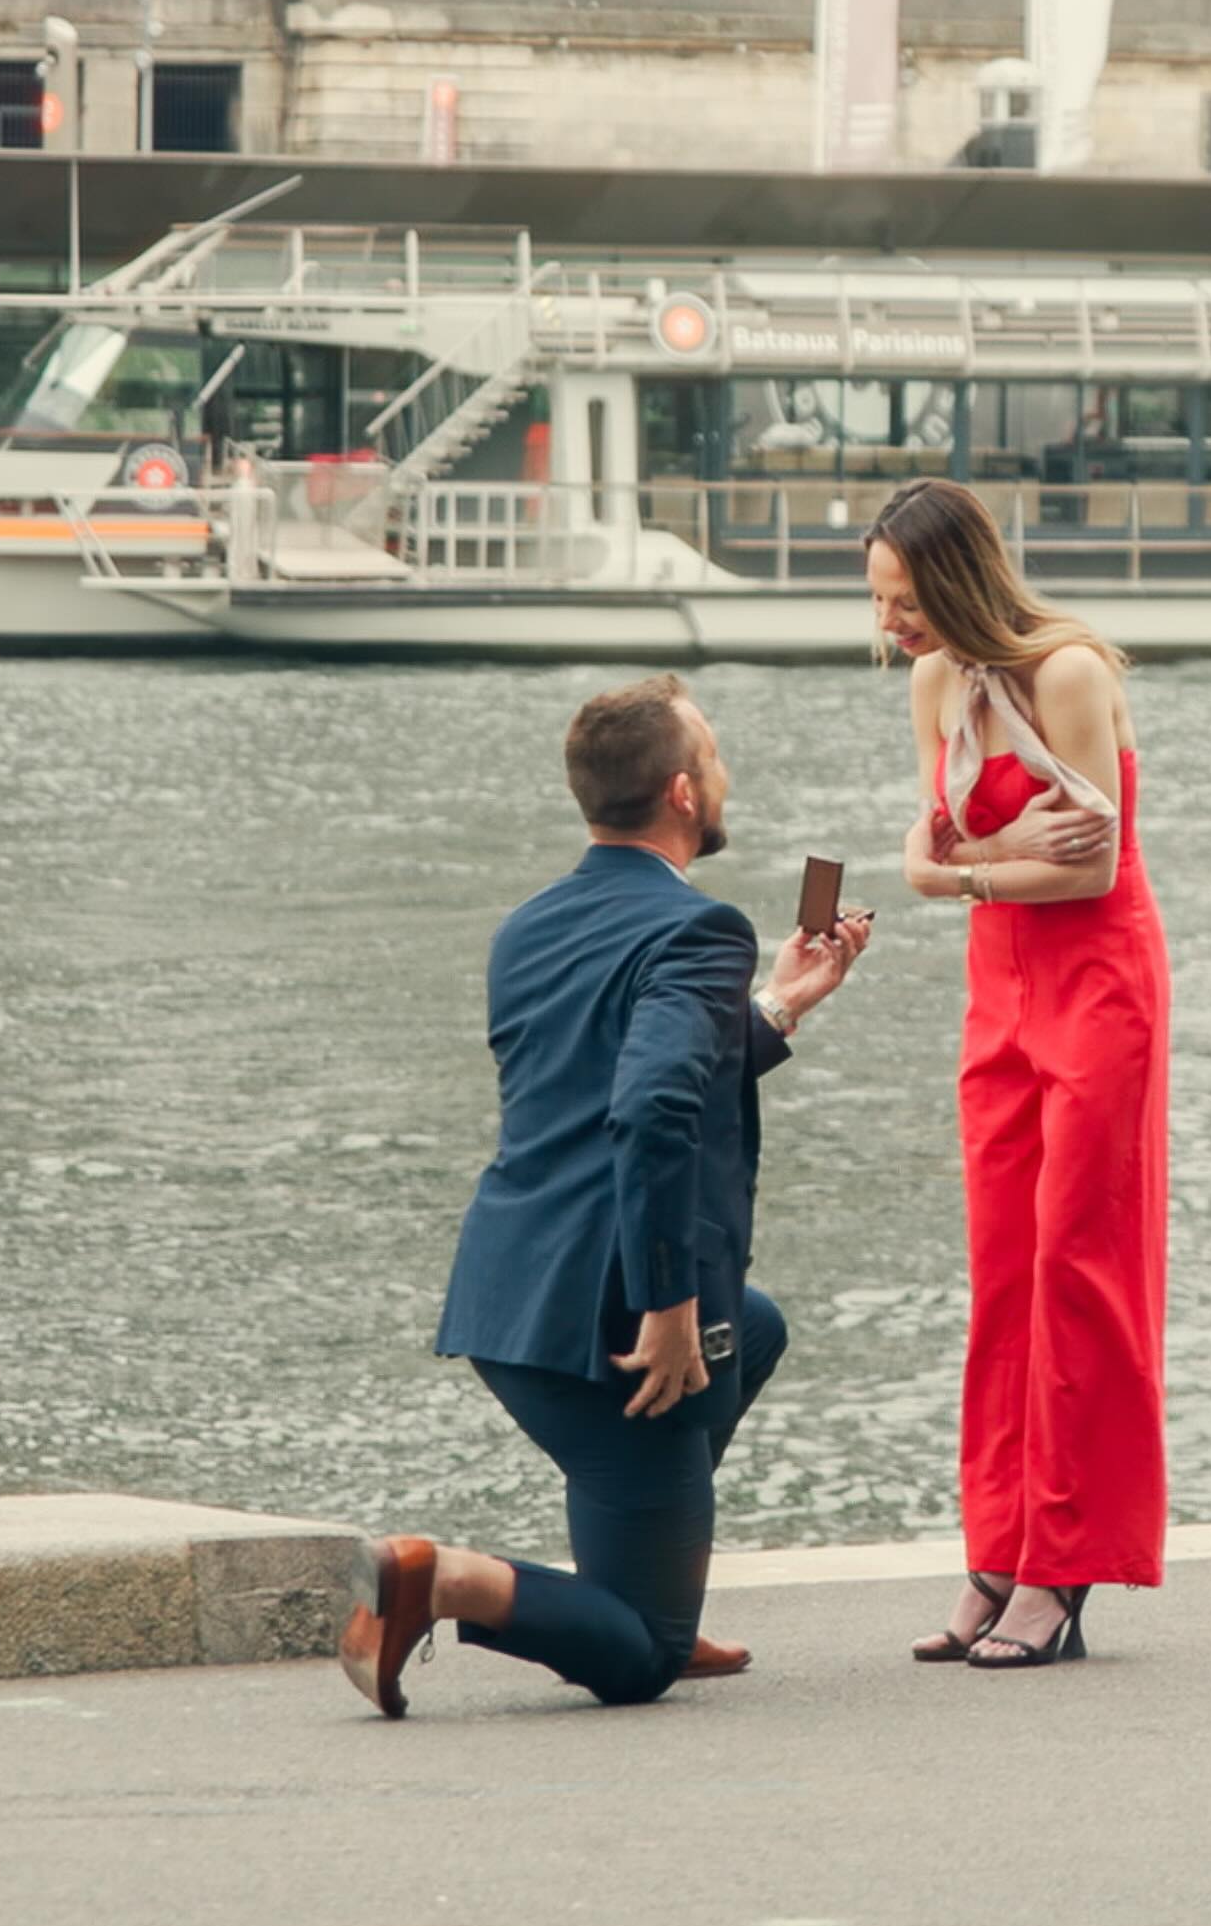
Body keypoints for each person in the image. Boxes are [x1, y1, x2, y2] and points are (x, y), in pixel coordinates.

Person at [339, 675, 872, 1719]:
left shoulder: (529, 924)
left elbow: (609, 1086)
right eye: (714, 762)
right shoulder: (700, 929)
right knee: (643, 1659)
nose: (724, 778)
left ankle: (643, 1578)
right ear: (682, 792)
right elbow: (650, 1113)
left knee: (750, 1326)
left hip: (511, 1292)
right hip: (613, 1321)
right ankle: (437, 1577)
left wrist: (777, 1007)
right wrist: (668, 1304)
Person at [865, 478, 1169, 1673]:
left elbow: (1087, 876)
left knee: (1078, 1267)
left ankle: (1064, 1561)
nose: (892, 627)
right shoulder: (938, 684)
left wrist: (958, 873)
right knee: (1002, 1272)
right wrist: (972, 867)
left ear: (956, 580)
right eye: (881, 604)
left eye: (904, 601)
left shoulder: (1074, 673)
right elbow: (923, 849)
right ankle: (997, 1546)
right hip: (999, 991)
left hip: (1099, 985)